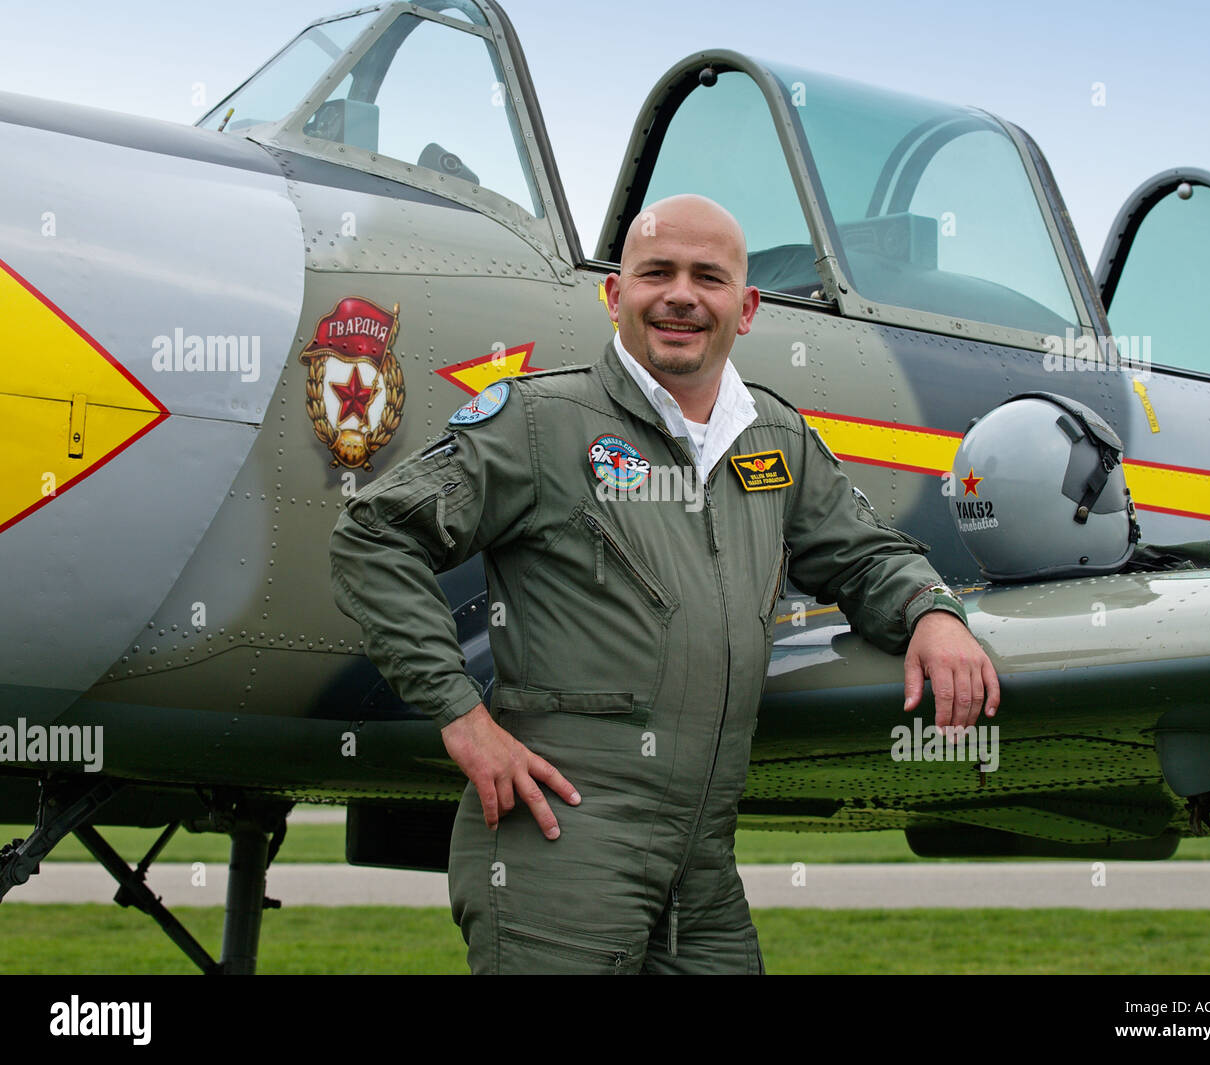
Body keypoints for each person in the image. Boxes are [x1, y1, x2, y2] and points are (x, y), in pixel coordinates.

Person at [330, 194, 1000, 974]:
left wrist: (933, 613)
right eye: (657, 272)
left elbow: (866, 555)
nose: (682, 294)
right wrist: (459, 714)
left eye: (708, 277)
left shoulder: (775, 439)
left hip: (701, 868)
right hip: (560, 848)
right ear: (615, 295)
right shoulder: (540, 422)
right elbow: (375, 533)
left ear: (745, 308)